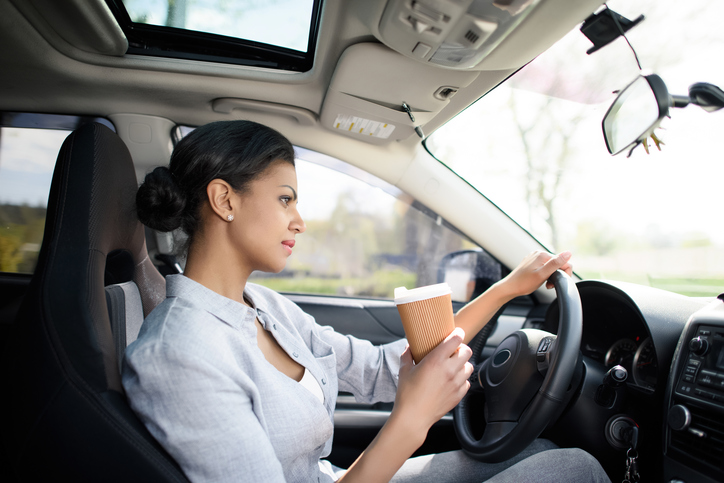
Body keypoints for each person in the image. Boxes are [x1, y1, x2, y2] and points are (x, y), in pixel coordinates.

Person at [123, 120, 611, 483]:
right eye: (285, 199)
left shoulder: (264, 307)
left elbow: (384, 367)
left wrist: (506, 288)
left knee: (538, 452)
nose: (300, 221)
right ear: (225, 200)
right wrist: (412, 420)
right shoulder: (180, 352)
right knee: (574, 469)